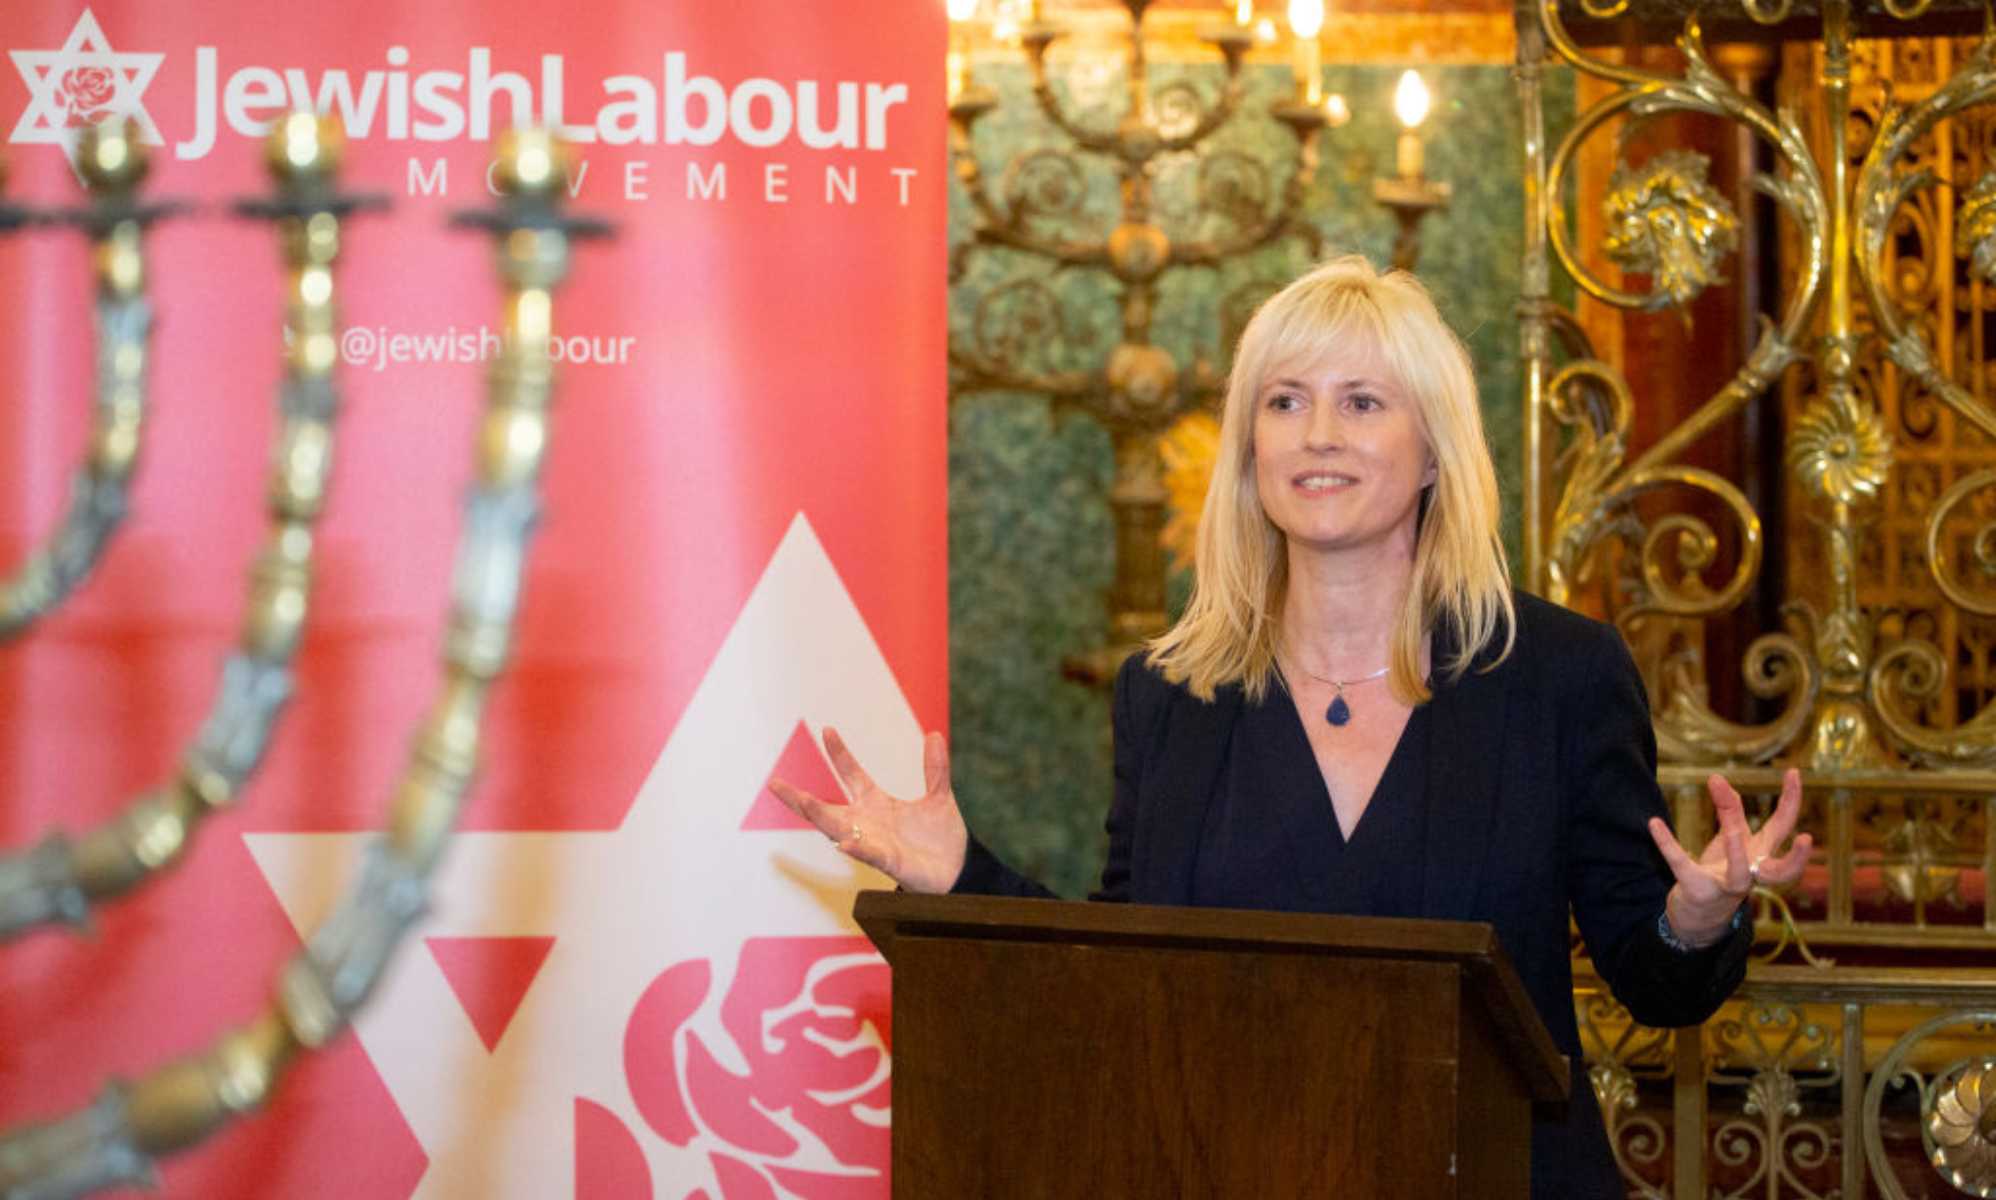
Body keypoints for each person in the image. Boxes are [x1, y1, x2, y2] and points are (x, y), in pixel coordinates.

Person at [771, 255, 1810, 1198]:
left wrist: (1696, 915)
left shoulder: (1556, 675)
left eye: (1361, 402)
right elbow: (1123, 978)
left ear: (1435, 449)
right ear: (1250, 448)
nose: (1317, 434)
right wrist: (962, 877)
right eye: (1284, 402)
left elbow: (1655, 981)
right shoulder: (1171, 692)